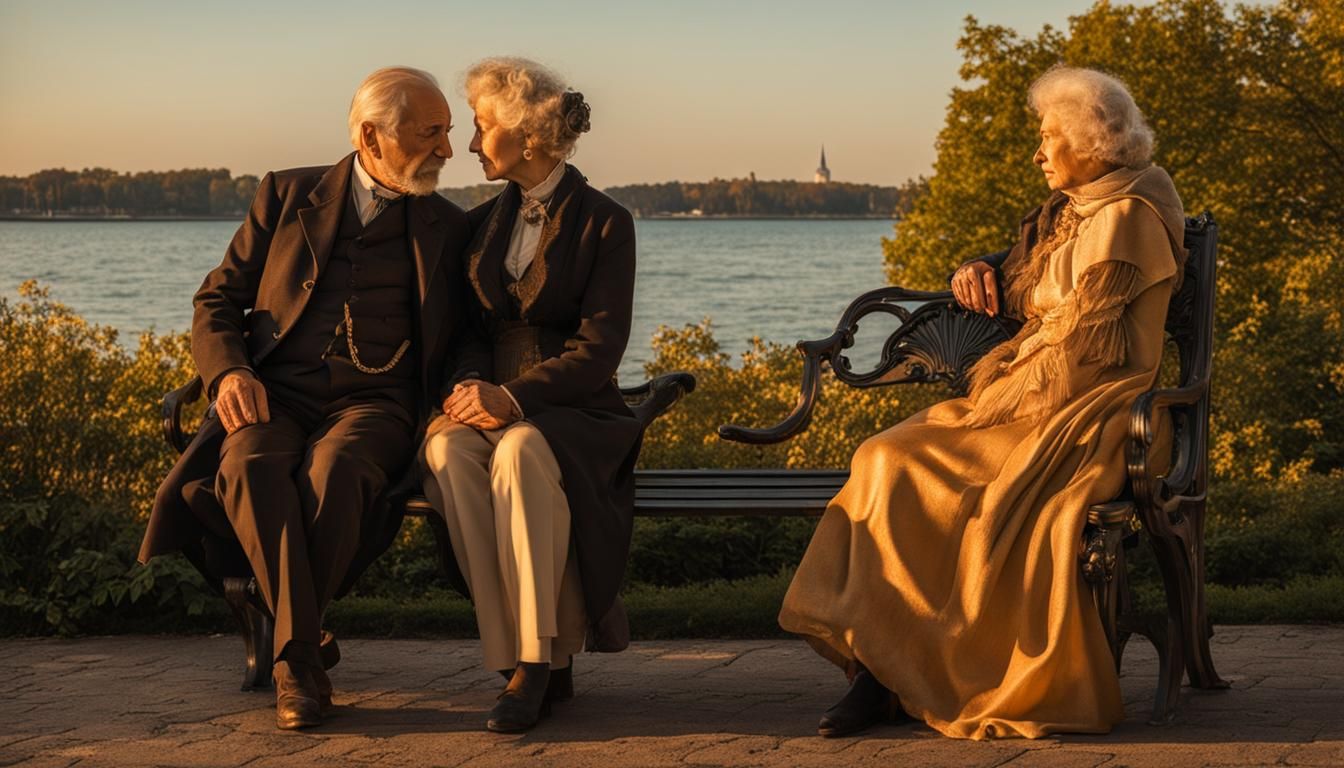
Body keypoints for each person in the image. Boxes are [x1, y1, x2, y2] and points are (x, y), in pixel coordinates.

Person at [778, 66, 1189, 740]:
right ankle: (877, 665)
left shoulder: (1128, 217)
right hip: (1031, 396)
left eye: (1048, 136)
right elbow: (1026, 270)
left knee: (919, 470)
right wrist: (977, 264)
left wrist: (1002, 397)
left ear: (1090, 143)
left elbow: (1091, 352)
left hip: (1093, 411)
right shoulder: (1079, 209)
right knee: (882, 457)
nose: (1037, 151)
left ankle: (902, 674)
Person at [138, 66, 471, 730]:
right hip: (275, 393)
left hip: (376, 404)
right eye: (430, 132)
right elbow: (217, 300)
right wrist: (229, 373)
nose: (446, 150)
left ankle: (292, 665)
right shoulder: (286, 194)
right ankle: (307, 642)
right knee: (247, 467)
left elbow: (464, 334)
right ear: (371, 134)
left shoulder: (448, 226)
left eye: (449, 132)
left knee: (336, 472)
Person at [419, 56, 640, 734]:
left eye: (483, 127)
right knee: (448, 453)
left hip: (577, 411)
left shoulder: (607, 223)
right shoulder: (478, 225)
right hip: (487, 401)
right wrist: (465, 390)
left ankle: (539, 663)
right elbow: (467, 334)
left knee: (517, 452)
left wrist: (512, 399)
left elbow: (599, 350)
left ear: (527, 134)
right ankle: (513, 653)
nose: (471, 143)